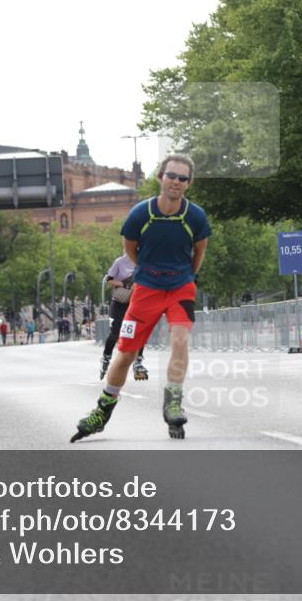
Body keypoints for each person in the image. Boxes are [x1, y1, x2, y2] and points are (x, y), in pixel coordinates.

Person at [71, 154, 211, 442]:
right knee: (125, 354)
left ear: (189, 183)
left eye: (183, 178)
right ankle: (102, 411)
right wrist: (148, 271)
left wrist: (185, 276)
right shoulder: (140, 214)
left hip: (181, 288)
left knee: (180, 338)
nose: (176, 182)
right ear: (160, 177)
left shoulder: (195, 216)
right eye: (171, 175)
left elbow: (199, 253)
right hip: (146, 290)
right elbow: (130, 249)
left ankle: (172, 401)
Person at [98, 253, 147, 381]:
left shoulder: (143, 260)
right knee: (115, 333)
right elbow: (109, 279)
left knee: (139, 332)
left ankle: (138, 361)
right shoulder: (120, 261)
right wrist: (123, 284)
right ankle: (106, 357)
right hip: (120, 302)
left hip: (136, 302)